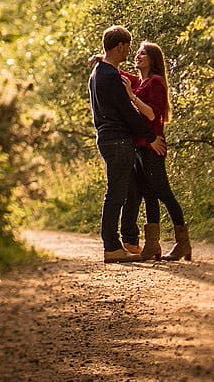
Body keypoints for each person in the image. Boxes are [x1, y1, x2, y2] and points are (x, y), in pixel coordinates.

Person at [87, 26, 149, 262]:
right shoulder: (109, 75)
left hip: (110, 138)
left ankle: (129, 240)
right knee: (116, 194)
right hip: (118, 139)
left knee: (130, 189)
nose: (130, 51)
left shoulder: (99, 72)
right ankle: (112, 246)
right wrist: (150, 137)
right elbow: (128, 112)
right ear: (120, 46)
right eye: (128, 46)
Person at [125, 42, 190, 262]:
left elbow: (152, 115)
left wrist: (132, 97)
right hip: (141, 147)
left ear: (153, 58)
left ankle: (183, 242)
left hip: (153, 146)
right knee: (149, 194)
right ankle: (152, 244)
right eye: (137, 53)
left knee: (164, 193)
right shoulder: (140, 81)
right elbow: (120, 73)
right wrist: (100, 59)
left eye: (142, 53)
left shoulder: (155, 82)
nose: (137, 56)